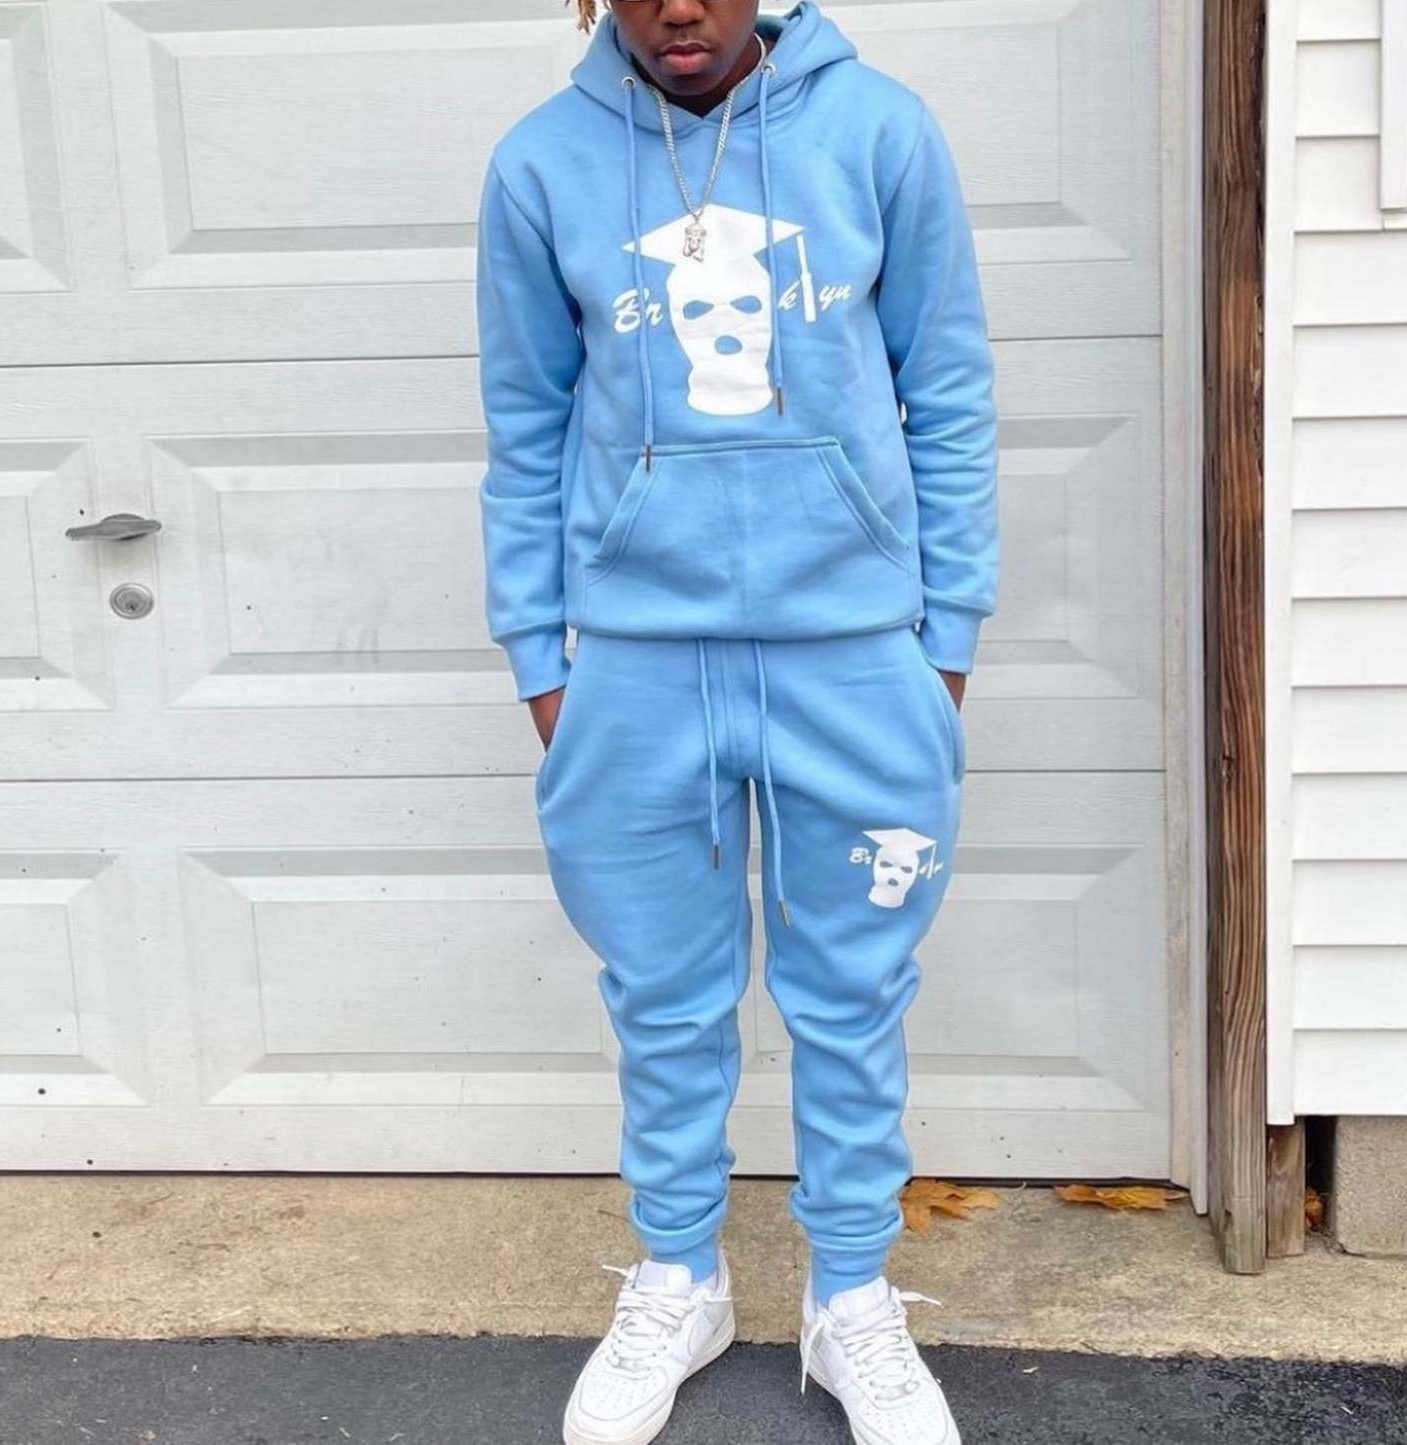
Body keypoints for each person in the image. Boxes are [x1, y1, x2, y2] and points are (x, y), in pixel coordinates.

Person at [475, 0, 998, 1440]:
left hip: (853, 657)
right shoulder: (542, 163)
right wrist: (541, 656)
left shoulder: (878, 132)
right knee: (662, 994)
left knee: (853, 993)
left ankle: (851, 1296)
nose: (679, 9)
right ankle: (679, 1276)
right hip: (638, 664)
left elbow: (948, 393)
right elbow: (525, 425)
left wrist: (943, 641)